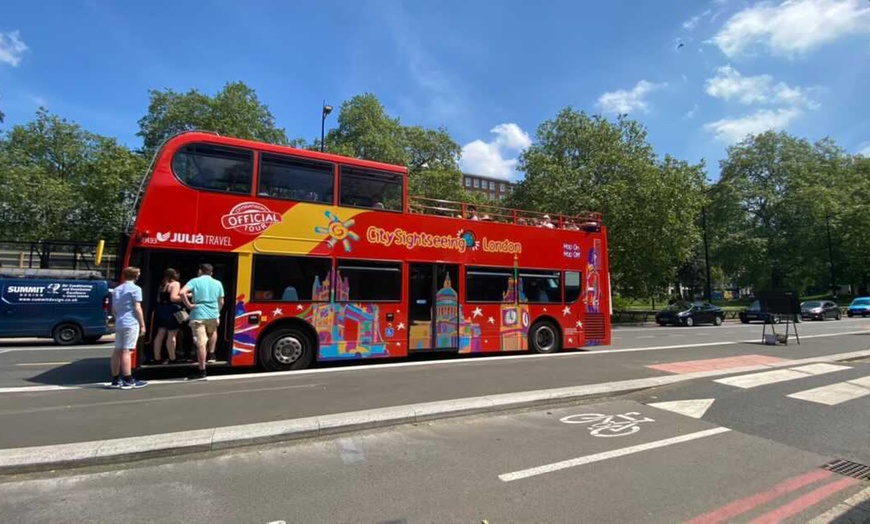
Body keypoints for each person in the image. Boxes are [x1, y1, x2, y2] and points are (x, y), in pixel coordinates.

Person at [180, 263, 225, 380]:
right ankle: (212, 353)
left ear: (200, 271)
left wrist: (189, 305)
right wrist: (217, 312)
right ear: (211, 272)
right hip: (213, 315)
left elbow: (182, 293)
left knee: (201, 343)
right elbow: (221, 302)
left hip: (198, 315)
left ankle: (202, 370)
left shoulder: (194, 281)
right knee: (213, 331)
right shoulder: (218, 283)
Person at [109, 267, 148, 389]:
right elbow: (137, 307)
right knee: (127, 351)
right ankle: (128, 379)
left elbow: (114, 309)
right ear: (136, 276)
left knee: (117, 351)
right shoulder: (136, 289)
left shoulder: (117, 289)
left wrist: (118, 317)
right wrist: (142, 324)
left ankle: (115, 379)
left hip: (120, 321)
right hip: (131, 322)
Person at [152, 268, 183, 364]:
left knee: (160, 334)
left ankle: (157, 357)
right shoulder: (175, 284)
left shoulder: (162, 284)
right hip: (171, 311)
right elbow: (173, 298)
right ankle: (172, 358)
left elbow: (158, 299)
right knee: (172, 335)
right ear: (175, 275)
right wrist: (185, 297)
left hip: (161, 310)